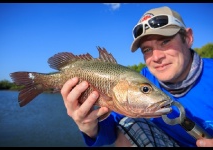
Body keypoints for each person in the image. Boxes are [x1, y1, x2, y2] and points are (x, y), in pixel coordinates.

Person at [61, 6, 213, 147]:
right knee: (128, 124)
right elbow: (112, 128)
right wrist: (89, 126)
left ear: (188, 38)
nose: (157, 57)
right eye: (147, 49)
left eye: (165, 41)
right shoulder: (140, 78)